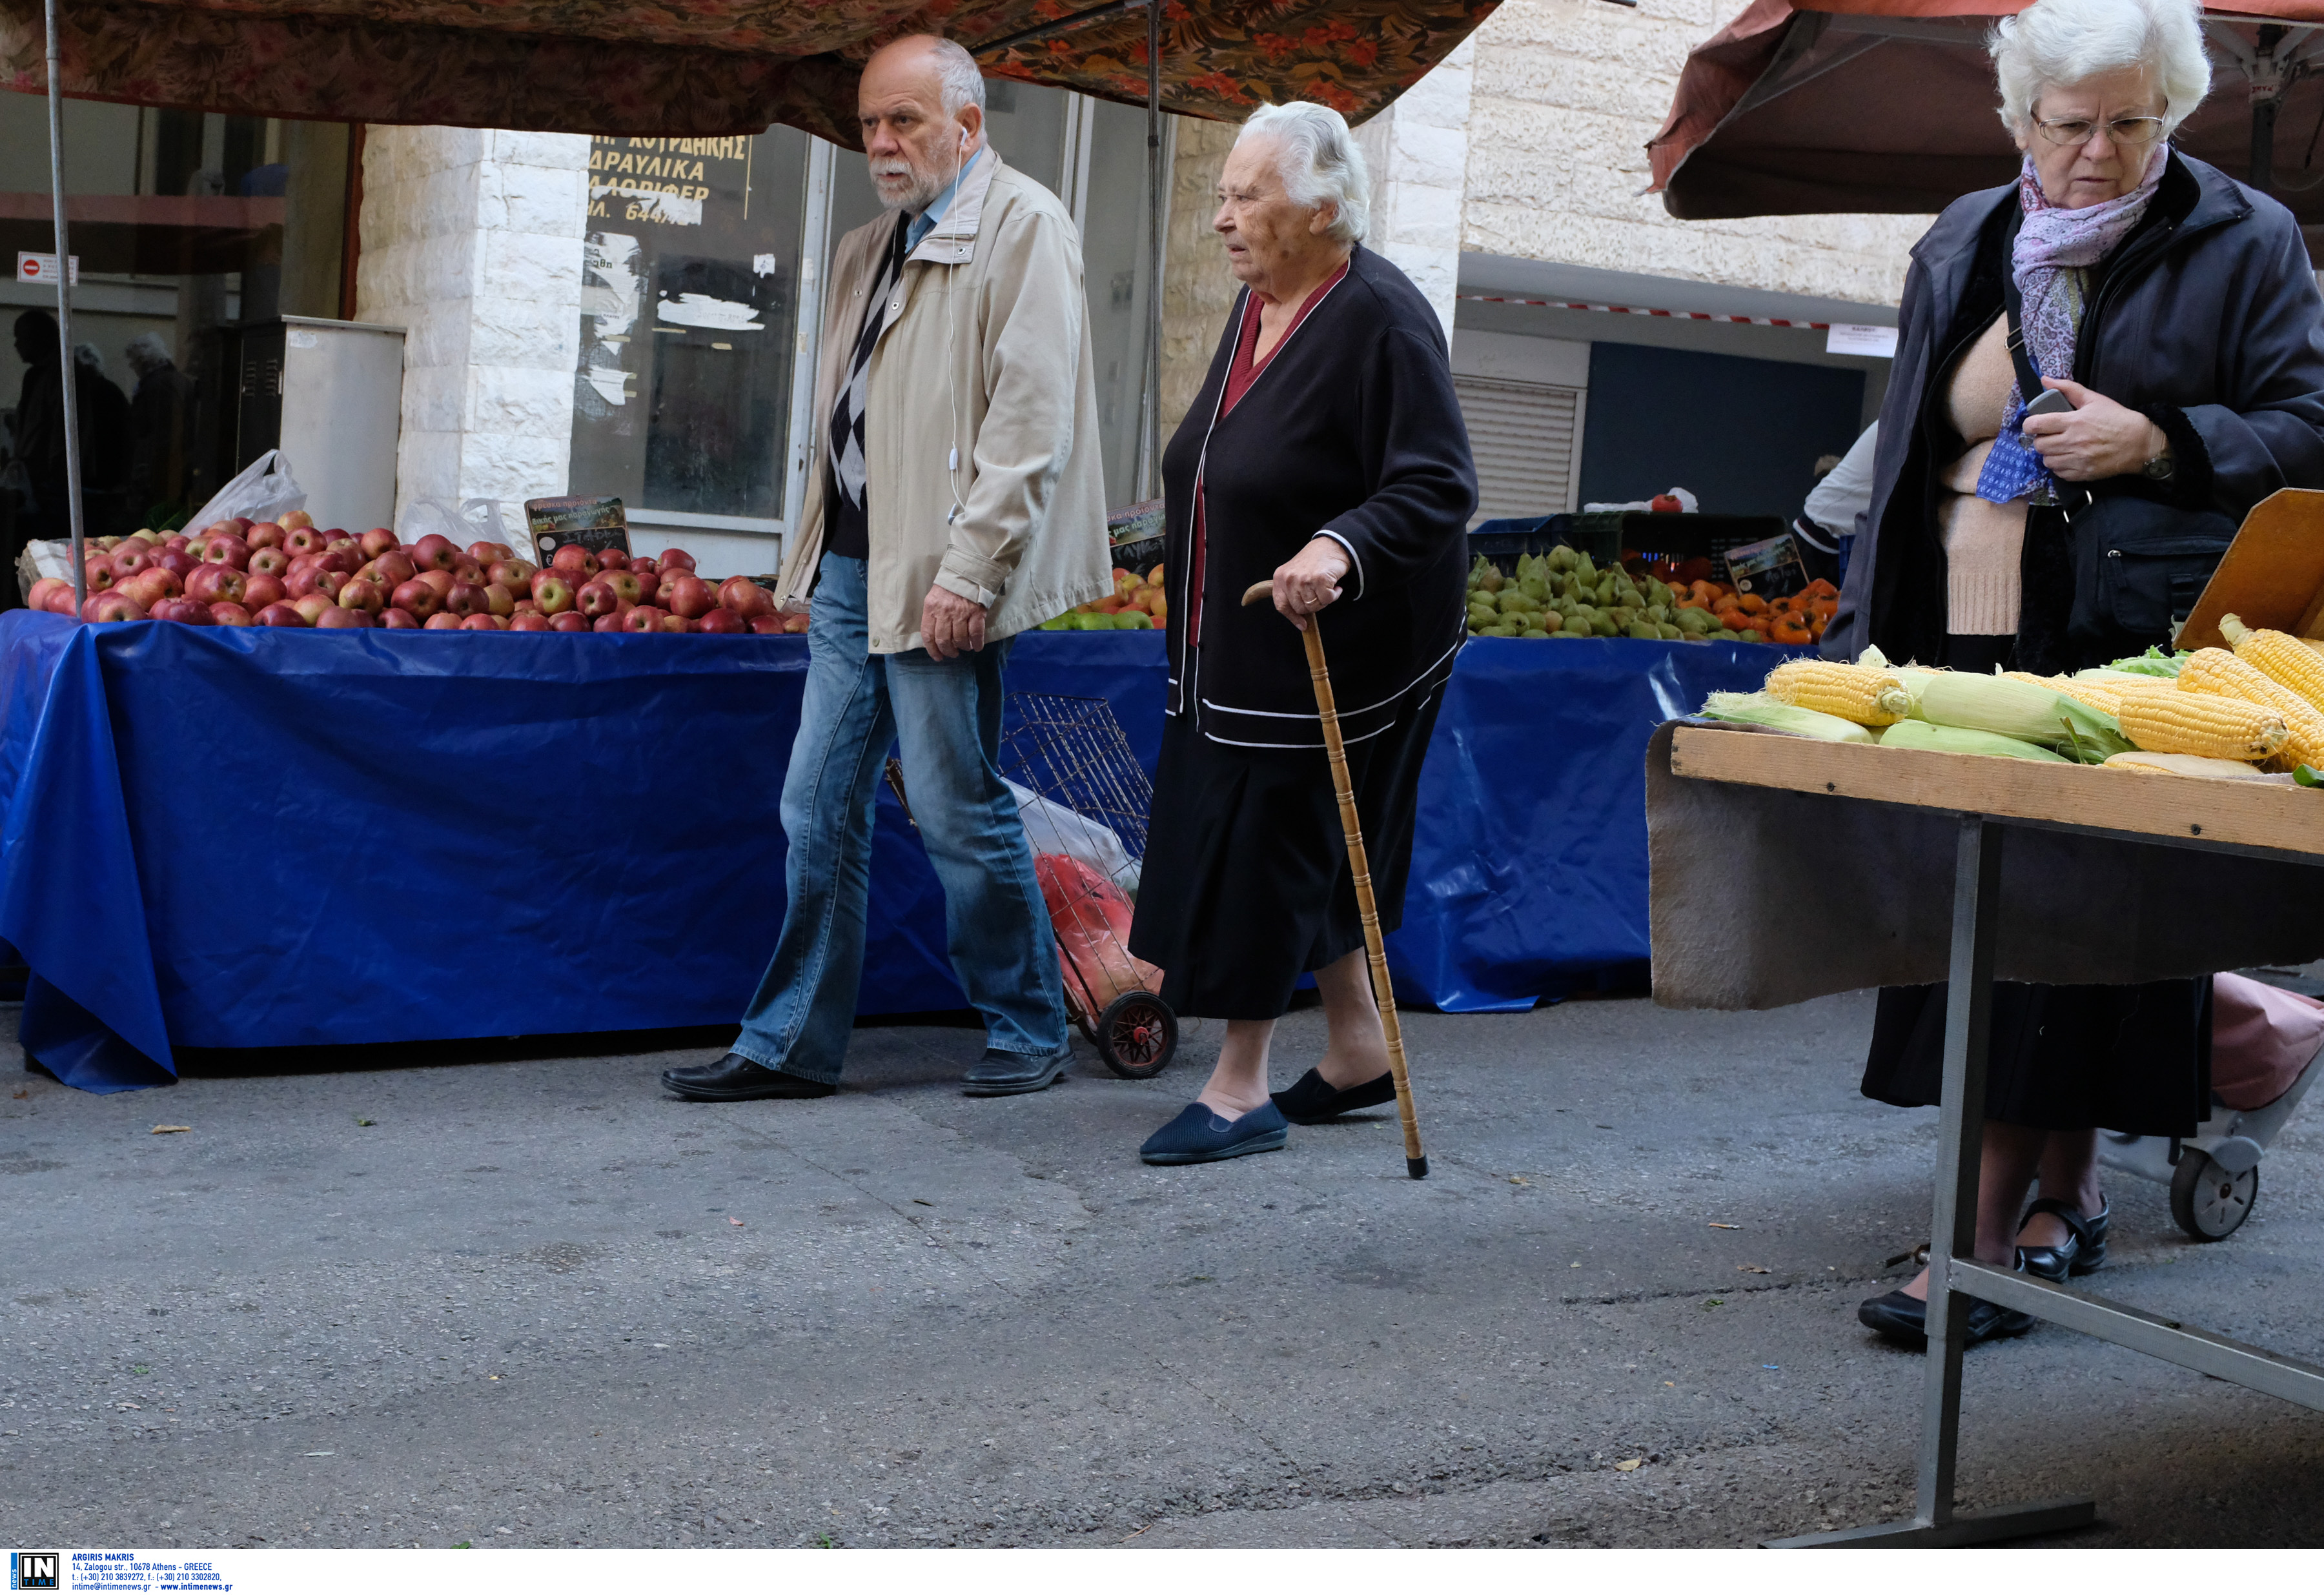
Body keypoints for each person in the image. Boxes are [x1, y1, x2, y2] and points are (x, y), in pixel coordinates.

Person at [1823, 0, 2324, 1345]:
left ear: (2172, 112)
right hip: (1963, 639)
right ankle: (2067, 1194)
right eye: (2072, 124)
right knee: (1986, 929)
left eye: (2132, 122)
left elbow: (2309, 427)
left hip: (2133, 647)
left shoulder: (2247, 239)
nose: (2100, 151)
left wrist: (2161, 441)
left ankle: (1973, 1247)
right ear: (2018, 122)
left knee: (2074, 935)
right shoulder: (1964, 237)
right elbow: (1906, 433)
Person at [662, 34, 1110, 1104]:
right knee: (815, 807)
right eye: (869, 123)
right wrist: (809, 555)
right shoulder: (871, 246)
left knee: (956, 810)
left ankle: (1027, 1020)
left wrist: (972, 570)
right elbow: (846, 419)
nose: (882, 141)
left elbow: (1030, 422)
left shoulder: (1025, 226)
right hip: (856, 569)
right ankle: (789, 1045)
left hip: (941, 575)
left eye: (904, 120)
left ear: (969, 125)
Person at [1125, 102, 1476, 1165]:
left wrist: (1338, 546)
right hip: (1238, 646)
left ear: (1322, 208)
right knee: (1310, 853)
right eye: (1224, 196)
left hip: (1346, 649)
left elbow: (1437, 482)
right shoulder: (1260, 302)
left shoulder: (1380, 315)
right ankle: (1359, 1046)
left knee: (1269, 851)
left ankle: (1238, 1090)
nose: (1223, 220)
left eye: (1248, 197)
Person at [125, 333, 196, 524]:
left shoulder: (158, 386)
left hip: (160, 474)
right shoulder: (176, 380)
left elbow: (164, 435)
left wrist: (145, 475)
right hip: (172, 471)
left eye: (133, 363)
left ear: (143, 361)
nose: (133, 368)